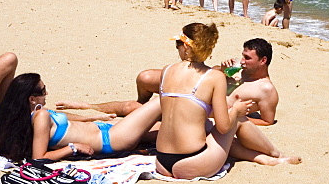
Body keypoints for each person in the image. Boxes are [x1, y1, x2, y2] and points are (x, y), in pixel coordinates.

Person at [154, 23, 298, 178]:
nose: (178, 48)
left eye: (179, 44)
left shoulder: (166, 70)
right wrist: (236, 110)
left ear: (187, 47)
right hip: (193, 161)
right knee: (235, 118)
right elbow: (223, 127)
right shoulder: (215, 77)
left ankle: (263, 158)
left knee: (211, 126)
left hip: (161, 161)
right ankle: (276, 154)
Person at [60, 37, 283, 126]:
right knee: (146, 78)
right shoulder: (240, 73)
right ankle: (90, 106)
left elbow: (267, 121)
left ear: (263, 61)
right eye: (242, 56)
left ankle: (90, 111)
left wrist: (234, 116)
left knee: (132, 108)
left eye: (247, 58)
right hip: (197, 92)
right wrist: (221, 70)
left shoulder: (266, 90)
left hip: (199, 110)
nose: (242, 61)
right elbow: (212, 76)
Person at [0, 73, 163, 162]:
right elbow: (39, 158)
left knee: (165, 131)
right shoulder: (40, 117)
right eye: (43, 91)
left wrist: (90, 118)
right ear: (31, 99)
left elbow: (63, 119)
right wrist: (72, 148)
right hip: (111, 139)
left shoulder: (35, 114)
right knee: (161, 100)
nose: (46, 93)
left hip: (107, 129)